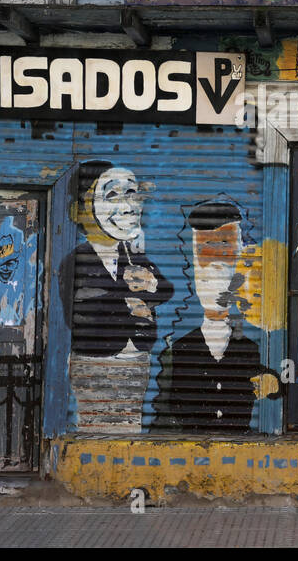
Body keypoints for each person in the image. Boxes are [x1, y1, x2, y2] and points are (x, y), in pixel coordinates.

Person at [60, 161, 173, 432]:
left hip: (137, 362)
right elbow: (69, 312)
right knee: (95, 427)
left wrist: (153, 284)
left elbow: (167, 290)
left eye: (132, 194)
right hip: (95, 361)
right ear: (78, 211)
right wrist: (128, 299)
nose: (128, 206)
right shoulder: (75, 261)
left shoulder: (134, 255)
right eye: (111, 195)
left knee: (130, 426)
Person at [152, 200, 279, 431]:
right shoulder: (178, 351)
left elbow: (280, 380)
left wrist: (273, 382)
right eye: (206, 248)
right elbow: (163, 412)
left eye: (225, 245)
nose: (217, 260)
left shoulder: (250, 347)